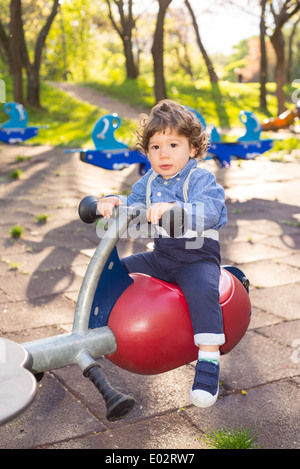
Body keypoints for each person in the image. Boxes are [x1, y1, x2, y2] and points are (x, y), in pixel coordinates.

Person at [97, 100, 227, 408]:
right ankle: (96, 324)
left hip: (197, 258)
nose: (163, 154)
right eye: (155, 147)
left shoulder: (200, 179)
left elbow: (212, 211)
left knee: (202, 290)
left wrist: (176, 210)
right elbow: (133, 200)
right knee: (113, 269)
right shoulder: (151, 180)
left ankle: (209, 361)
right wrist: (114, 201)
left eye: (172, 144)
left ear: (193, 149)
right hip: (163, 256)